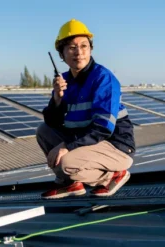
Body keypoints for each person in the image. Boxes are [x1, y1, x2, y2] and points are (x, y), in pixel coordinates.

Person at [37, 19, 136, 199]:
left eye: (84, 46)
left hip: (116, 145)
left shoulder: (103, 78)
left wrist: (67, 146)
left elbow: (103, 127)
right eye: (71, 47)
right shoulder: (65, 81)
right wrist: (57, 100)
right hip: (88, 142)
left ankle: (112, 175)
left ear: (90, 49)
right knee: (44, 131)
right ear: (62, 53)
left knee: (66, 162)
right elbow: (52, 123)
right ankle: (71, 183)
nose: (79, 52)